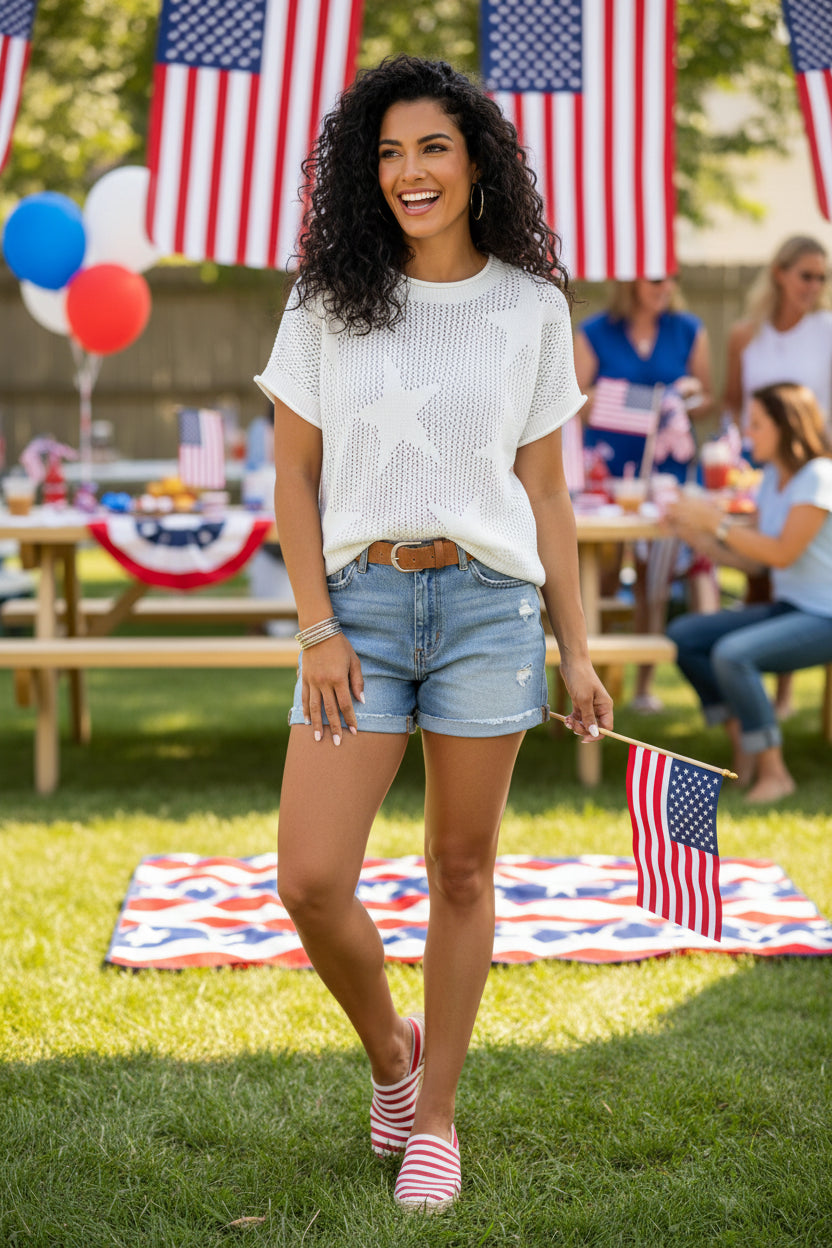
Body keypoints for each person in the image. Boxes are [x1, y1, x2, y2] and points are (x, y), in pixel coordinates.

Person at [253, 56, 613, 1212]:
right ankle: (392, 1059)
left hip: (487, 611)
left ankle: (439, 1119)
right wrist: (316, 626)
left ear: (477, 162)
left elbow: (549, 497)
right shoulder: (324, 299)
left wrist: (580, 647)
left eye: (433, 148)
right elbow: (292, 477)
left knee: (462, 869)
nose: (409, 172)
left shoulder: (531, 307)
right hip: (354, 606)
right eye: (390, 152)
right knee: (309, 876)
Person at [665, 383, 832, 804]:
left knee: (733, 653)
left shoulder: (819, 477)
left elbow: (781, 552)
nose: (748, 432)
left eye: (757, 424)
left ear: (786, 426)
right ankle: (745, 740)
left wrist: (715, 522)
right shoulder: (774, 477)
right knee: (685, 635)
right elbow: (756, 562)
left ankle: (775, 772)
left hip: (824, 615)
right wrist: (700, 538)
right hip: (793, 607)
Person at [573, 278, 715, 712]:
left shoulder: (690, 329)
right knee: (606, 574)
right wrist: (634, 401)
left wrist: (680, 402)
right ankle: (596, 675)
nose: (666, 287)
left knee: (656, 575)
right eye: (655, 279)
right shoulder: (594, 332)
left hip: (665, 473)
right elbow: (575, 400)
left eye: (671, 278)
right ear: (631, 281)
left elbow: (707, 397)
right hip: (608, 472)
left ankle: (643, 687)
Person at [723, 236, 832, 721]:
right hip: (761, 471)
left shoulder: (827, 330)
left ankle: (781, 701)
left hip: (813, 475)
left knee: (797, 565)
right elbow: (731, 401)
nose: (815, 286)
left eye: (822, 277)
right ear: (780, 274)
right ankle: (758, 702)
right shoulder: (746, 335)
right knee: (761, 581)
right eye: (807, 274)